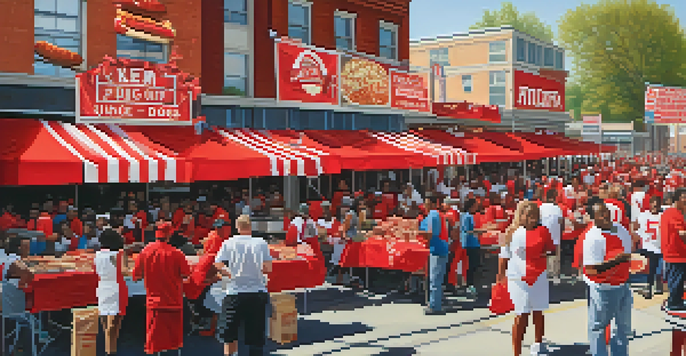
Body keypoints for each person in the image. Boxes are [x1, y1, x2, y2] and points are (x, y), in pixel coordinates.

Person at [498, 201, 555, 356]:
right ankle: (516, 352)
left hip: (539, 277)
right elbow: (503, 257)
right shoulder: (509, 232)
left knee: (538, 312)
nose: (532, 219)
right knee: (521, 314)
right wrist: (500, 276)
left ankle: (538, 344)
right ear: (521, 215)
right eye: (529, 215)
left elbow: (552, 249)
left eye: (535, 216)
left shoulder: (544, 230)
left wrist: (543, 255)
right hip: (518, 279)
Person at [214, 215, 272, 356]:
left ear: (237, 227)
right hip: (256, 292)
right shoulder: (261, 243)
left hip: (234, 291)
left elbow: (218, 263)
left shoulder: (229, 242)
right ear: (250, 227)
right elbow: (267, 268)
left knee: (229, 334)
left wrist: (229, 273)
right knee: (256, 335)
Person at [132, 220, 191, 355]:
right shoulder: (177, 253)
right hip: (173, 303)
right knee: (173, 343)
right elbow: (186, 274)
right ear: (170, 235)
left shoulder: (145, 252)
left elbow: (136, 276)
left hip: (154, 304)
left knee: (153, 343)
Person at [583, 201, 633, 356]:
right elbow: (591, 270)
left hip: (622, 286)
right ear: (593, 218)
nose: (605, 215)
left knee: (622, 328)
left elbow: (628, 256)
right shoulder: (592, 237)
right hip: (603, 289)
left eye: (606, 211)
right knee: (598, 327)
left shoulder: (622, 230)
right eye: (600, 213)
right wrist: (616, 261)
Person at [94, 229, 128, 355]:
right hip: (116, 289)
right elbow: (124, 271)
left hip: (102, 288)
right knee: (114, 327)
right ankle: (111, 352)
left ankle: (108, 351)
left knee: (106, 326)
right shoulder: (119, 254)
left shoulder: (97, 254)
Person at [420, 196, 449, 315]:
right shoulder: (437, 214)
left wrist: (416, 232)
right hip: (440, 248)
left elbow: (431, 233)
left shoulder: (433, 215)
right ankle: (435, 303)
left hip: (437, 249)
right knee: (436, 279)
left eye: (427, 204)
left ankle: (435, 306)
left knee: (434, 280)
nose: (425, 207)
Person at [634, 195, 664, 299]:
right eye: (653, 204)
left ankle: (657, 286)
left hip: (661, 247)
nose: (655, 207)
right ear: (650, 204)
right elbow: (635, 228)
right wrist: (637, 240)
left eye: (657, 205)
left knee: (660, 270)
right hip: (648, 247)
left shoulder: (663, 216)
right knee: (650, 270)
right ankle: (649, 287)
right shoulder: (643, 216)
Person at [661, 188, 686, 310]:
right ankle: (674, 303)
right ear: (677, 199)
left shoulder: (672, 212)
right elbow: (682, 233)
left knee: (677, 280)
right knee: (677, 280)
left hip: (675, 253)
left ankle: (676, 301)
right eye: (683, 197)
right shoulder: (674, 213)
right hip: (676, 253)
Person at [460, 198, 491, 296]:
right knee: (472, 266)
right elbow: (468, 231)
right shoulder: (467, 216)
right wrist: (481, 231)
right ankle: (470, 285)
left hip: (472, 243)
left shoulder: (467, 216)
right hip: (470, 244)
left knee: (474, 265)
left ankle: (471, 285)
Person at [539, 189, 564, 284]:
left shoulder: (541, 207)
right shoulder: (557, 208)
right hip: (555, 236)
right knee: (555, 258)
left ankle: (545, 277)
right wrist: (560, 233)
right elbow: (561, 223)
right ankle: (555, 277)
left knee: (544, 257)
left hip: (543, 237)